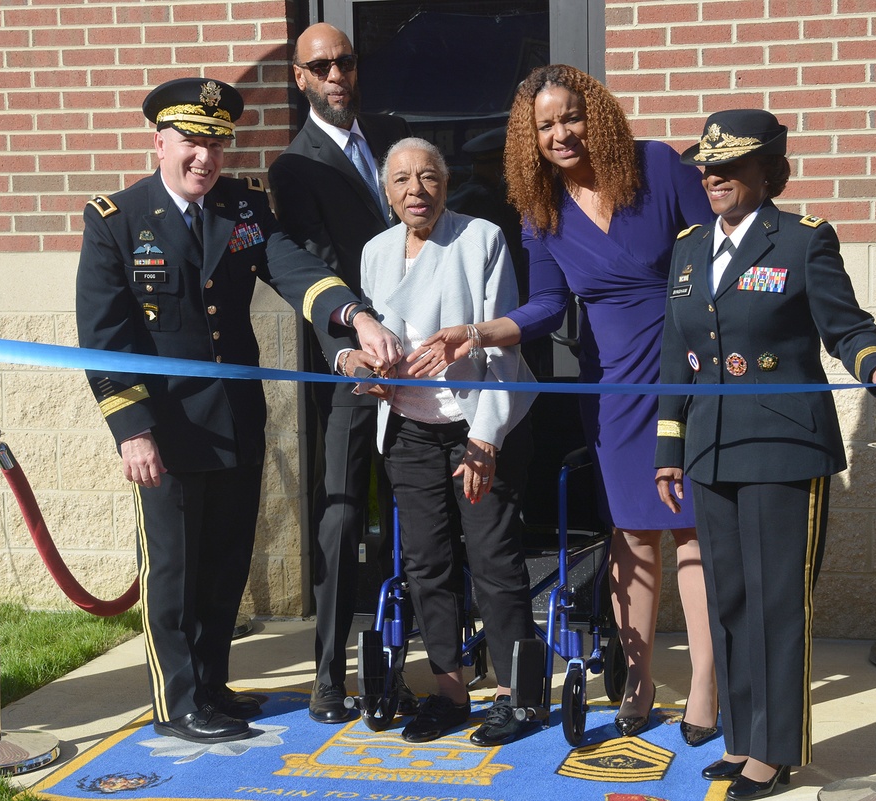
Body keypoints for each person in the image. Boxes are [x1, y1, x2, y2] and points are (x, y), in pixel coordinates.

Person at [75, 78, 399, 744]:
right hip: (165, 431)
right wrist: (132, 432)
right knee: (174, 570)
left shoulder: (242, 207)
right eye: (192, 141)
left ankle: (214, 683)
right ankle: (179, 700)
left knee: (226, 563)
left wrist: (355, 314)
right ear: (158, 141)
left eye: (216, 143)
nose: (205, 157)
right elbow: (106, 336)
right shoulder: (116, 218)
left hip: (235, 420)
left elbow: (291, 266)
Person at [411, 65, 718, 742]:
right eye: (544, 126)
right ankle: (636, 679)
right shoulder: (541, 207)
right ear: (530, 138)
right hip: (610, 385)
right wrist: (476, 331)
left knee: (692, 527)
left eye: (570, 117)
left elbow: (713, 263)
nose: (561, 134)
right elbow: (549, 306)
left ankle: (704, 679)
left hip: (684, 368)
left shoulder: (660, 168)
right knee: (631, 531)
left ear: (597, 114)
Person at [654, 109, 876, 797]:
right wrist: (669, 448)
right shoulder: (686, 248)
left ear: (769, 172)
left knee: (776, 601)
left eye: (729, 165)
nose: (712, 175)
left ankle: (776, 750)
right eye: (705, 165)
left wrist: (875, 365)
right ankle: (743, 740)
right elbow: (673, 358)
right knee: (732, 602)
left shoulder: (801, 241)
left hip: (781, 447)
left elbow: (846, 325)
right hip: (709, 449)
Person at [360, 138, 536, 747]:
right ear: (387, 191)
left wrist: (485, 440)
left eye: (429, 177)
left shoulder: (481, 238)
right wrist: (368, 374)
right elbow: (373, 347)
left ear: (447, 182)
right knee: (427, 564)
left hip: (473, 425)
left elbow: (504, 349)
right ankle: (450, 692)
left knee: (492, 558)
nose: (416, 190)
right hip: (407, 432)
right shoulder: (375, 252)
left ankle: (518, 696)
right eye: (403, 179)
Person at [267, 22, 413, 725]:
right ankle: (328, 674)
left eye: (345, 61)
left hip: (423, 357)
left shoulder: (394, 133)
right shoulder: (294, 168)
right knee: (341, 513)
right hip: (352, 363)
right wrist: (346, 346)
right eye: (320, 65)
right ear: (299, 78)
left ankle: (433, 654)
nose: (335, 75)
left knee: (424, 510)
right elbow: (312, 263)